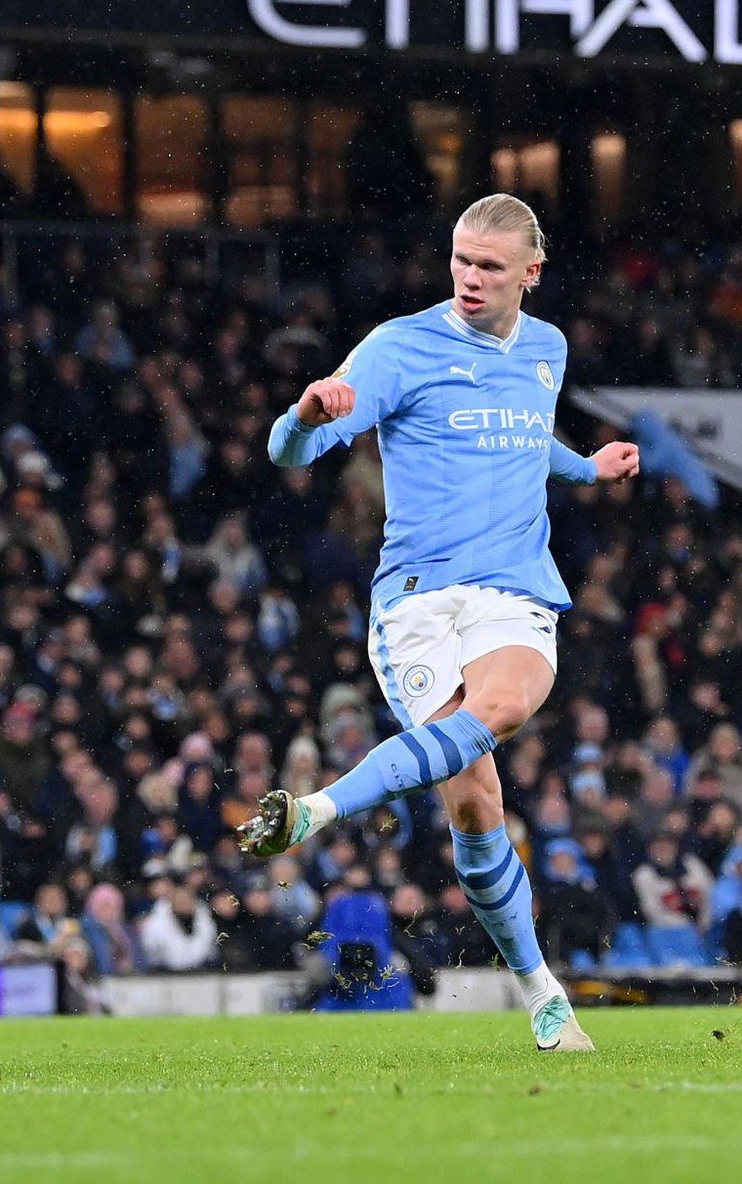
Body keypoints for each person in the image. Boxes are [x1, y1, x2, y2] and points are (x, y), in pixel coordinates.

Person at [238, 194, 641, 1052]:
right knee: (473, 800)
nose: (468, 278)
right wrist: (304, 416)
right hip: (418, 600)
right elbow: (289, 454)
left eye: (490, 267)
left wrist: (585, 467)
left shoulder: (547, 348)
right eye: (460, 259)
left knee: (494, 711)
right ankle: (541, 988)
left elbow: (522, 436)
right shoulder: (397, 347)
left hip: (512, 590)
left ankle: (315, 809)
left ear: (531, 273)